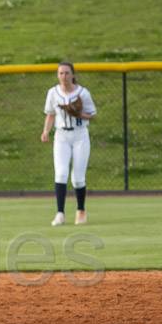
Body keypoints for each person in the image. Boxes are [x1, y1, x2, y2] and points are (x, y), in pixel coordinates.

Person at [40, 62, 97, 226]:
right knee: (61, 173)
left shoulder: (83, 93)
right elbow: (50, 115)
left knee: (78, 178)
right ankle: (60, 213)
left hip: (80, 135)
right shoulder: (53, 93)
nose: (63, 76)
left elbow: (92, 115)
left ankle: (81, 210)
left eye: (66, 73)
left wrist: (78, 113)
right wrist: (45, 131)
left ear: (72, 75)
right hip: (61, 136)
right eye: (60, 73)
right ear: (57, 75)